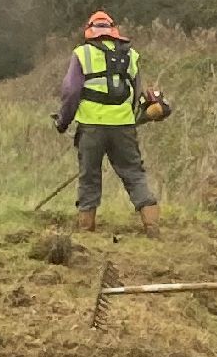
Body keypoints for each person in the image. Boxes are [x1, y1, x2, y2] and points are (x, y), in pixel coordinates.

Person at [52, 12, 161, 234]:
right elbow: (138, 93)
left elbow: (71, 92)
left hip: (91, 128)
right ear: (113, 31)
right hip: (123, 127)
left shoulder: (82, 54)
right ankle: (152, 227)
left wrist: (63, 121)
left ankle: (86, 230)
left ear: (90, 32)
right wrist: (134, 117)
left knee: (89, 177)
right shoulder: (131, 56)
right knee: (134, 173)